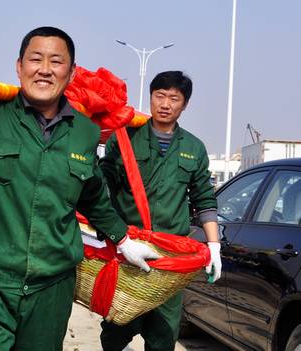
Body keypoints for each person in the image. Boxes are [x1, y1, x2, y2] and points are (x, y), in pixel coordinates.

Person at [0, 26, 159, 351]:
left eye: (56, 61)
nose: (45, 69)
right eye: (35, 59)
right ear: (19, 66)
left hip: (52, 287)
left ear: (71, 72)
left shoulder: (83, 131)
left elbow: (92, 195)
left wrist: (123, 240)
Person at [99, 71, 222, 351]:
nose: (165, 104)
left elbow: (203, 198)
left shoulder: (193, 148)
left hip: (170, 259)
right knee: (116, 331)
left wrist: (214, 246)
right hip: (128, 249)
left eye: (174, 98)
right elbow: (103, 185)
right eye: (160, 96)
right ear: (151, 97)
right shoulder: (126, 137)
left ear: (185, 104)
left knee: (164, 334)